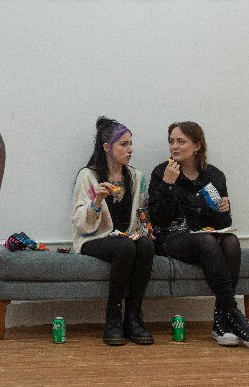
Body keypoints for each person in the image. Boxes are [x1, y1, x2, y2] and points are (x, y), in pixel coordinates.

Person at [147, 121, 249, 349]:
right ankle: (234, 313)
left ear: (197, 145)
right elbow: (158, 219)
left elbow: (223, 224)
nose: (174, 146)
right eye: (171, 141)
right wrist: (168, 186)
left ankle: (221, 323)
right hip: (172, 237)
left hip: (205, 236)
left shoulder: (214, 176)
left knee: (231, 241)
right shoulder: (161, 172)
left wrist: (224, 210)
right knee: (206, 241)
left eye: (181, 141)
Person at [71, 117, 155, 346]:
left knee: (146, 245)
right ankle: (113, 317)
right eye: (124, 144)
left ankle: (133, 317)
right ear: (107, 147)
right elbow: (79, 222)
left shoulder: (136, 177)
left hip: (126, 236)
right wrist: (97, 201)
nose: (130, 150)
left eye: (131, 144)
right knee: (125, 246)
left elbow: (143, 212)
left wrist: (145, 230)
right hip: (94, 238)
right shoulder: (88, 176)